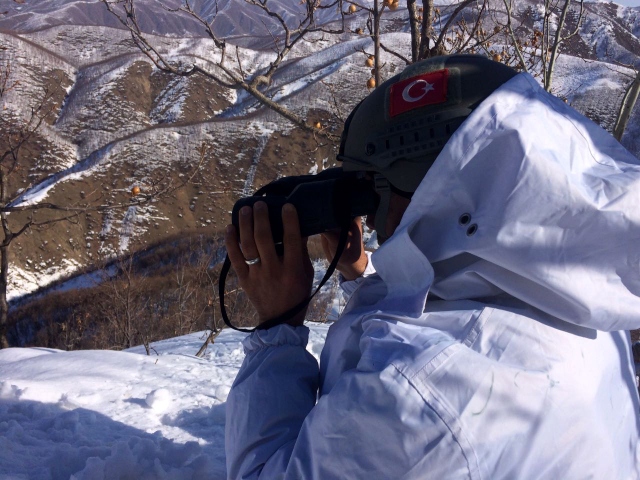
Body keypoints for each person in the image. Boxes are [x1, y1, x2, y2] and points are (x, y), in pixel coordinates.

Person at [223, 54, 640, 479]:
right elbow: (459, 312)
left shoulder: (410, 397)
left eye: (373, 189)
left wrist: (278, 323)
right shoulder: (588, 290)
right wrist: (361, 274)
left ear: (434, 191)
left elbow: (263, 472)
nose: (369, 218)